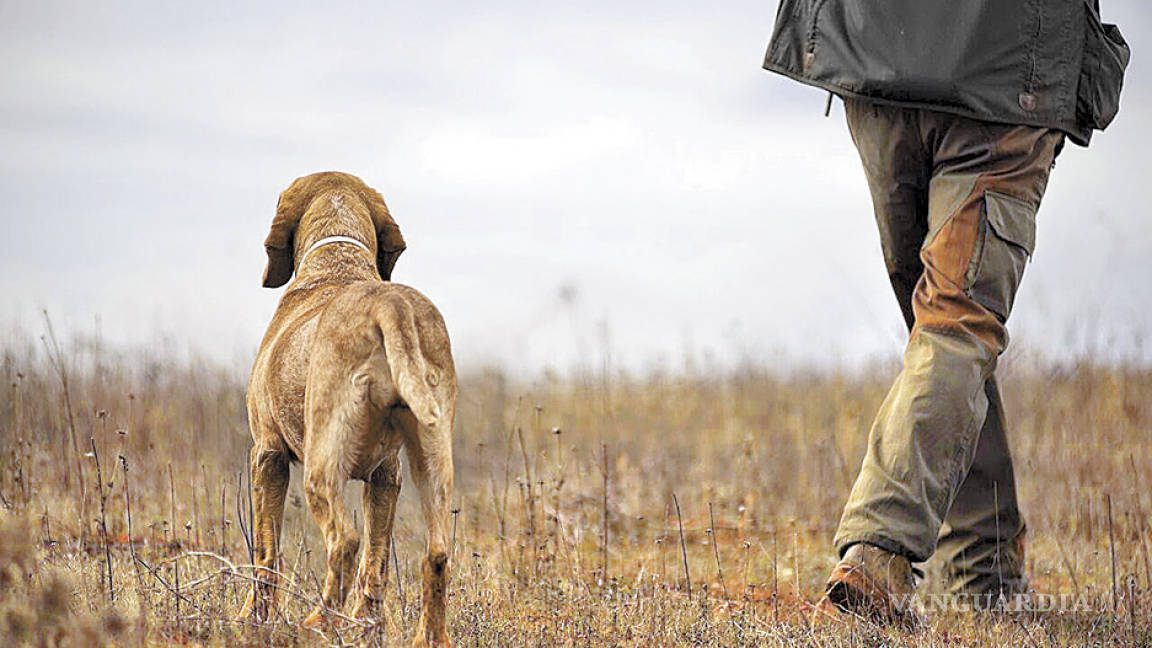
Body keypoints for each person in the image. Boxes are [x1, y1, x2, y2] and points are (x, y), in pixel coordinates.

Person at [761, 0, 1129, 624]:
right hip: (1005, 78)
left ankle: (982, 571)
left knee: (944, 330)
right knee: (952, 328)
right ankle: (881, 552)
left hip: (877, 55)